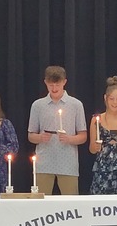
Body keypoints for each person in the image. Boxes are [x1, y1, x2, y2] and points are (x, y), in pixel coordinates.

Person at [27, 66, 87, 195]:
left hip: (68, 164)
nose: (54, 89)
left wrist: (70, 139)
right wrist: (40, 137)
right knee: (41, 203)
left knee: (70, 205)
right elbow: (31, 136)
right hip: (43, 163)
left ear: (64, 82)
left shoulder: (76, 105)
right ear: (45, 83)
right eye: (51, 85)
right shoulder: (38, 105)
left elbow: (83, 136)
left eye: (57, 85)